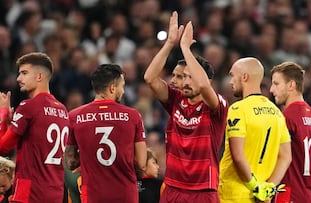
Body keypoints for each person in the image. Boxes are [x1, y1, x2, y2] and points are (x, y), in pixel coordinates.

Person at [144, 12, 228, 203]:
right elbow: (150, 78)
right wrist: (170, 44)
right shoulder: (176, 100)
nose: (185, 82)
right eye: (184, 77)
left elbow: (205, 86)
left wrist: (186, 49)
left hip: (203, 190)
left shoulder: (217, 107)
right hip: (173, 187)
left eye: (190, 76)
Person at [64, 64, 147, 203]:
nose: (123, 91)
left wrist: (88, 159)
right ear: (112, 87)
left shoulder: (74, 116)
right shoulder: (133, 116)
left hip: (92, 195)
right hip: (125, 193)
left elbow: (71, 162)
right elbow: (141, 163)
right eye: (122, 86)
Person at [218, 57, 292, 203]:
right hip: (260, 198)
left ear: (244, 77)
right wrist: (268, 188)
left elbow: (238, 155)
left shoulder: (238, 109)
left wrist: (254, 186)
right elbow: (286, 157)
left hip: (232, 195)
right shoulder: (276, 112)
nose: (230, 81)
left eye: (233, 76)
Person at [0, 52, 69, 203]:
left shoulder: (28, 106)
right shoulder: (63, 109)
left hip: (29, 190)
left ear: (39, 77)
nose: (19, 78)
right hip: (55, 190)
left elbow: (3, 147)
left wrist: (3, 115)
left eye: (24, 73)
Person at [270, 61, 311, 203]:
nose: (271, 89)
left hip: (290, 196)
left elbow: (278, 159)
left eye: (276, 84)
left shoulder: (285, 118)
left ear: (291, 85)